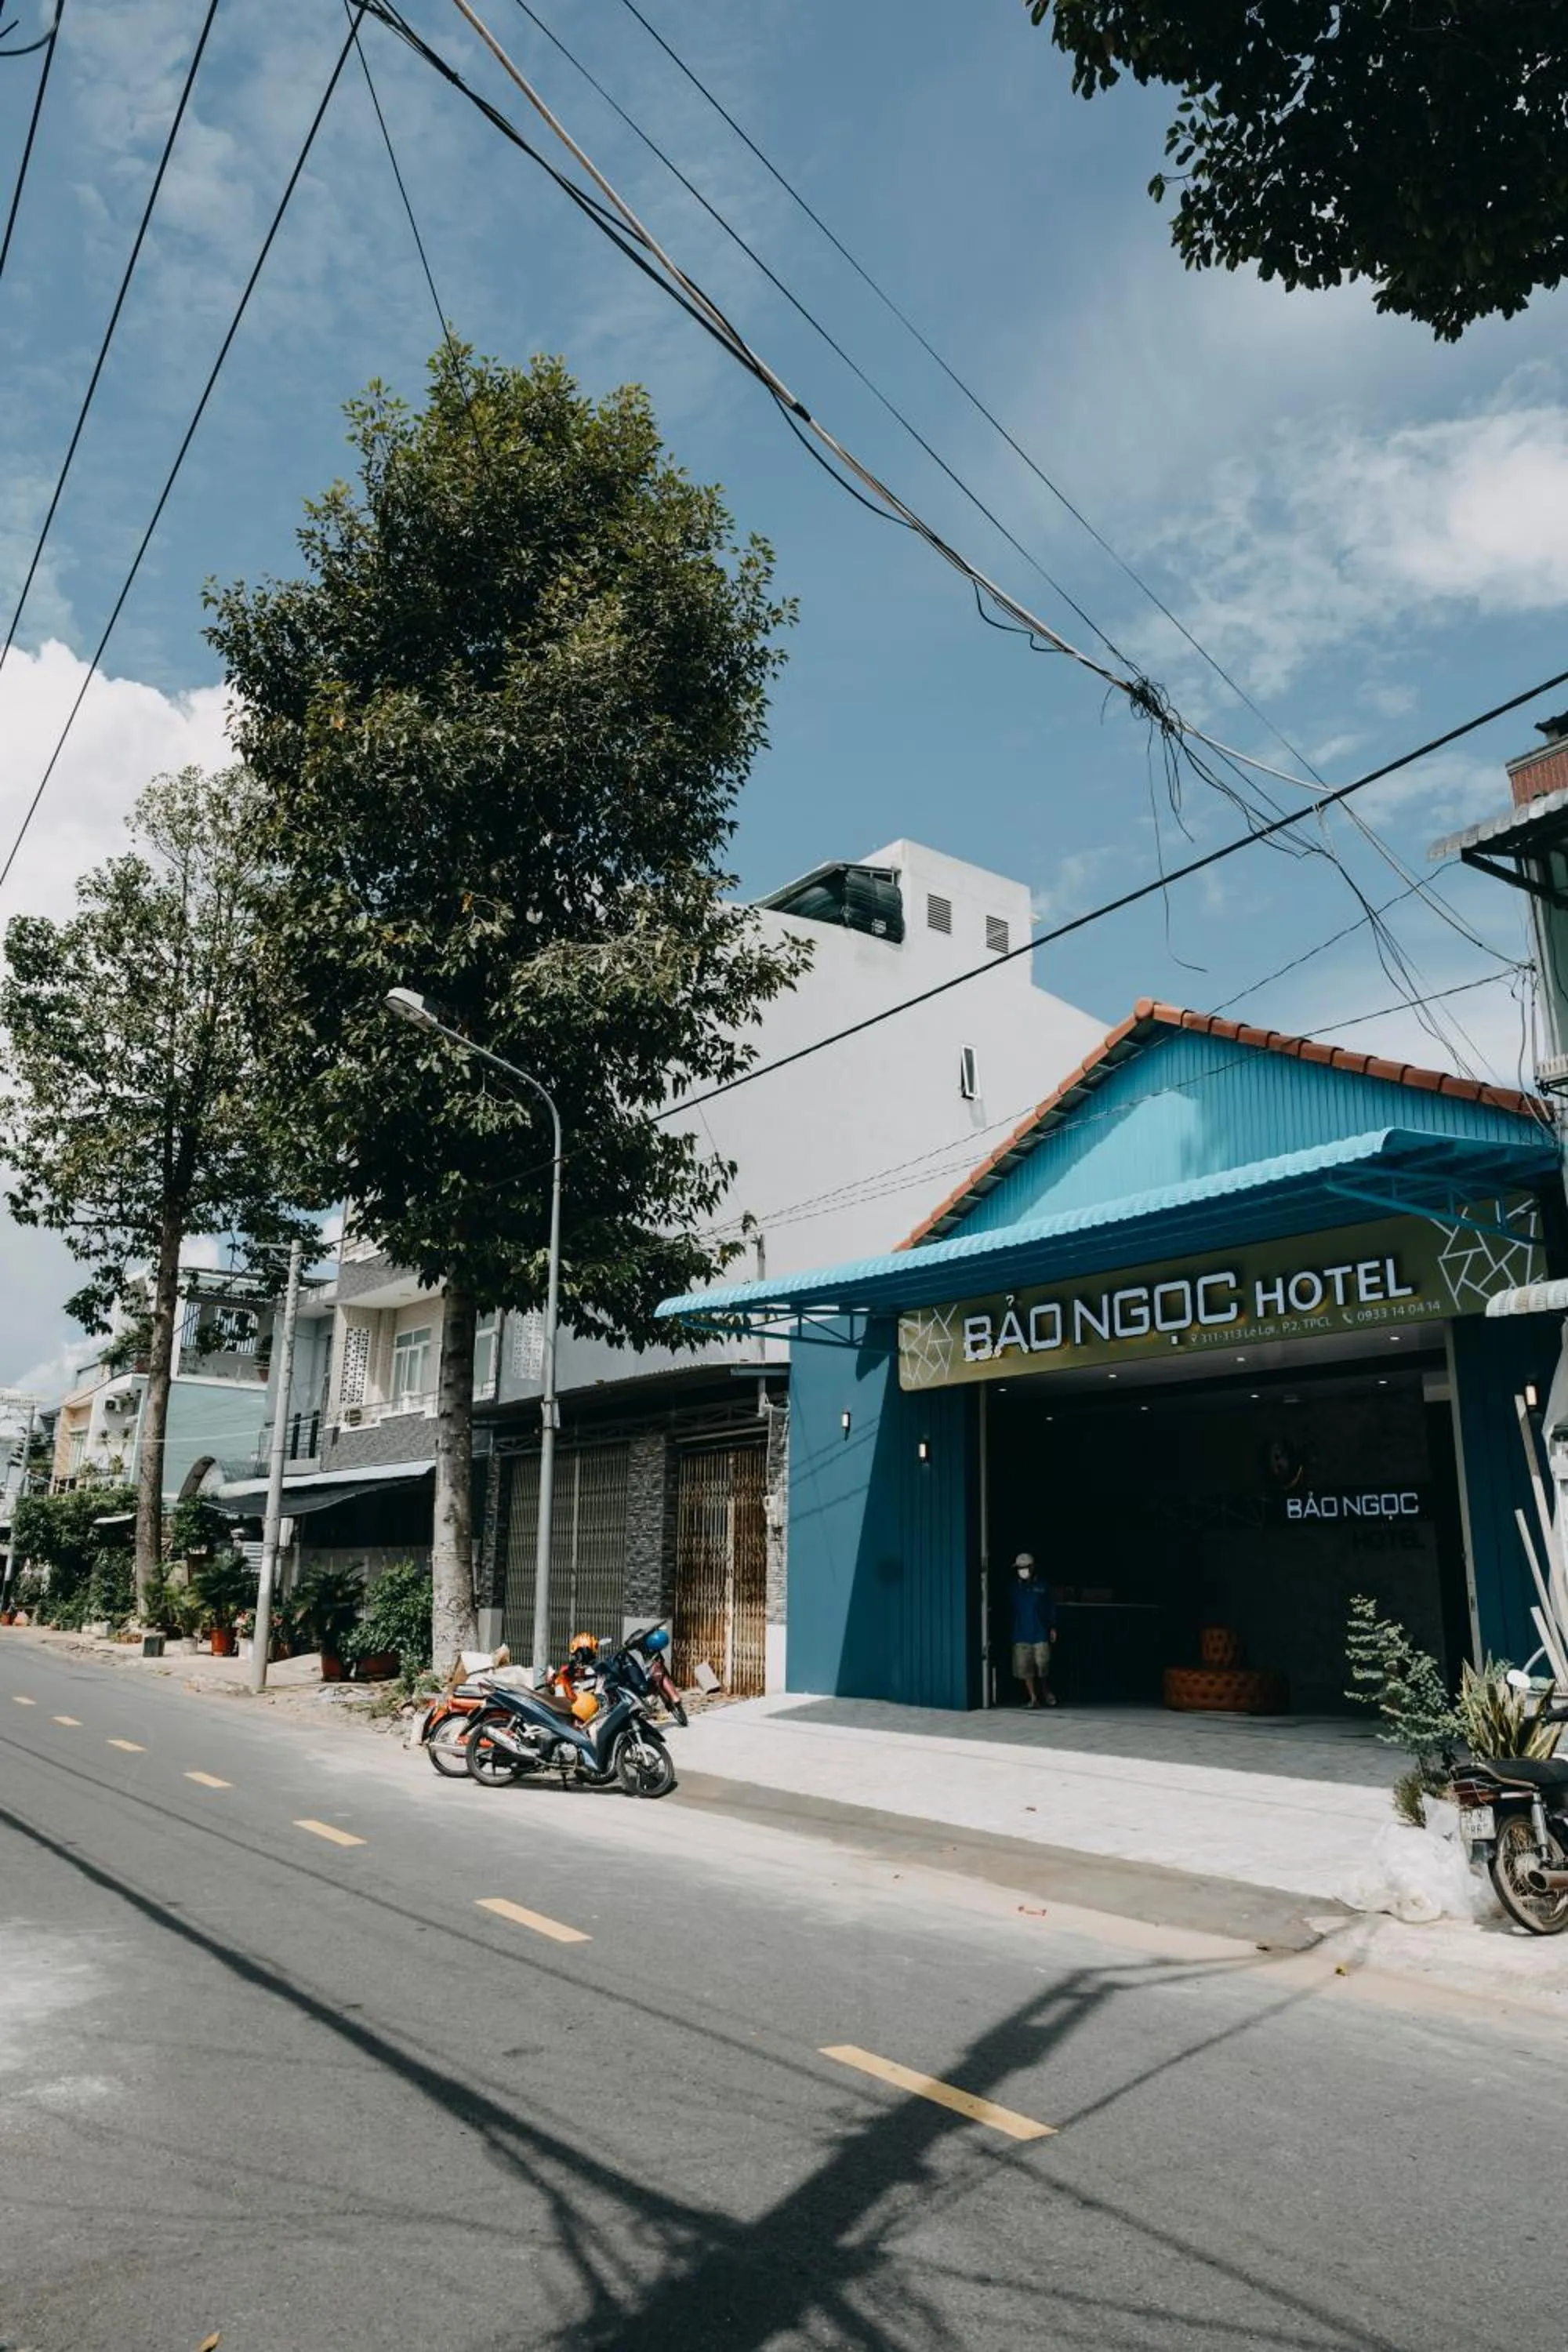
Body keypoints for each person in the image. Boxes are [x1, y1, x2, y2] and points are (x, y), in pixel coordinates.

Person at [1011, 1553, 1057, 1709]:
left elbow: (1050, 1607)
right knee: (1025, 1668)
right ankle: (1033, 1697)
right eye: (1019, 1568)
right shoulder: (1015, 1588)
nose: (1022, 1571)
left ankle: (1045, 1690)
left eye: (1024, 1568)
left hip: (1040, 1632)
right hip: (1021, 1633)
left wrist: (1052, 1627)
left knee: (1042, 1665)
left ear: (1032, 1568)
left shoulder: (1042, 1587)